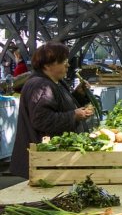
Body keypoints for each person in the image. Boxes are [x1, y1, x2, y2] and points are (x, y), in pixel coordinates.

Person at [10, 42, 95, 178]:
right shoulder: (41, 86)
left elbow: (60, 106)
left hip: (51, 160)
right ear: (47, 65)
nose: (68, 65)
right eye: (63, 62)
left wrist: (79, 94)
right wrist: (74, 116)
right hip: (44, 161)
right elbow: (43, 120)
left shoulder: (54, 82)